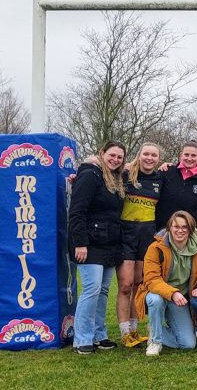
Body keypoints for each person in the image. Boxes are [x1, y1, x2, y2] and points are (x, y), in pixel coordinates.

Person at [69, 141, 127, 354]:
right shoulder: (89, 175)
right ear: (102, 154)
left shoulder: (115, 179)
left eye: (120, 157)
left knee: (102, 291)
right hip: (89, 244)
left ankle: (99, 335)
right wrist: (80, 243)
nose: (115, 160)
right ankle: (82, 338)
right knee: (91, 290)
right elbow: (77, 212)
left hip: (110, 244)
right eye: (112, 155)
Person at [135, 211, 197, 356]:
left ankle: (155, 329)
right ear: (169, 228)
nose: (180, 230)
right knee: (155, 299)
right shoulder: (155, 248)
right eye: (176, 226)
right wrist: (173, 293)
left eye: (185, 227)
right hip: (160, 293)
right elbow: (151, 280)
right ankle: (155, 342)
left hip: (179, 300)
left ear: (191, 229)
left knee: (188, 345)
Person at [117, 142, 163, 348]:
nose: (149, 158)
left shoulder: (160, 179)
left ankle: (135, 330)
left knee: (138, 284)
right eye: (146, 154)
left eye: (154, 155)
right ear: (139, 155)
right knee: (125, 285)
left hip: (147, 236)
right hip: (126, 234)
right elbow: (100, 167)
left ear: (158, 159)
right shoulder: (125, 175)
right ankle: (124, 331)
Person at [155, 141, 197, 239]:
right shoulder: (166, 172)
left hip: (188, 234)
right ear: (180, 155)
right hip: (162, 232)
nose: (189, 158)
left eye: (193, 155)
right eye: (186, 154)